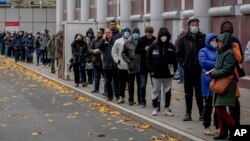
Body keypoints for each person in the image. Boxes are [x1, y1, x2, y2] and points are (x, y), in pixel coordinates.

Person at [176, 17, 205, 121]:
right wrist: (183, 63)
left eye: (196, 24)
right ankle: (188, 113)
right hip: (188, 70)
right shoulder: (183, 39)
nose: (195, 26)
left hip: (200, 70)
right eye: (193, 24)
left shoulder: (203, 38)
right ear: (188, 26)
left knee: (200, 93)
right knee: (188, 93)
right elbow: (178, 54)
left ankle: (202, 113)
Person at [209, 32, 237, 140]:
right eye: (218, 41)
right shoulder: (221, 52)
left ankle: (234, 131)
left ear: (225, 43)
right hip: (220, 83)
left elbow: (227, 69)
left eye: (220, 42)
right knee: (217, 108)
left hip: (227, 84)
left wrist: (214, 73)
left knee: (220, 108)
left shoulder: (229, 53)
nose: (218, 43)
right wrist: (214, 71)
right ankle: (223, 132)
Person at [147, 27, 177, 116]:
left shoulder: (171, 46)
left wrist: (173, 70)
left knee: (167, 91)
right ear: (159, 36)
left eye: (166, 35)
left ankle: (167, 108)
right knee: (155, 91)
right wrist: (151, 70)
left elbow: (174, 60)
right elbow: (148, 59)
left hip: (168, 74)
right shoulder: (153, 46)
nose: (164, 37)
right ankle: (155, 108)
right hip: (156, 74)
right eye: (162, 35)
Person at [198, 33, 218, 135]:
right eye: (212, 40)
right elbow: (204, 63)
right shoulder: (203, 51)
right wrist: (217, 64)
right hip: (207, 80)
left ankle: (217, 126)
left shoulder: (219, 51)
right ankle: (207, 126)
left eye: (216, 40)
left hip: (218, 80)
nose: (215, 42)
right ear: (208, 41)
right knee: (208, 105)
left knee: (218, 105)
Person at [135, 26, 156, 108]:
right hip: (143, 65)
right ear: (145, 32)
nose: (150, 35)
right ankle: (143, 101)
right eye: (148, 33)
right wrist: (144, 49)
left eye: (151, 33)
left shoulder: (155, 39)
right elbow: (136, 51)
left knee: (154, 85)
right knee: (143, 84)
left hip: (152, 65)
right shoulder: (141, 39)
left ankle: (155, 102)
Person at [97, 28, 119, 101]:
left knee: (116, 81)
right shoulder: (103, 42)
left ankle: (117, 95)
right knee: (107, 82)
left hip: (114, 64)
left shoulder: (115, 41)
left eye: (109, 32)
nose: (107, 34)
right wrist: (103, 39)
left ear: (111, 33)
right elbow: (99, 46)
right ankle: (110, 96)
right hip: (106, 65)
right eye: (106, 33)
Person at [121, 27, 141, 106]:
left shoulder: (141, 42)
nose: (136, 34)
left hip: (140, 66)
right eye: (134, 32)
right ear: (132, 34)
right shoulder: (128, 43)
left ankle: (140, 100)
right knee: (130, 84)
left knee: (140, 84)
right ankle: (131, 99)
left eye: (137, 33)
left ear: (139, 34)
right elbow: (123, 54)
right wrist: (129, 61)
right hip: (131, 66)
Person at [112, 27, 131, 104]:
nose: (126, 33)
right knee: (122, 83)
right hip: (121, 65)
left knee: (130, 83)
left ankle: (131, 98)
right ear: (122, 32)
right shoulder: (118, 41)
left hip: (130, 66)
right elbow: (114, 52)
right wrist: (117, 60)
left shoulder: (132, 41)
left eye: (128, 32)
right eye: (125, 31)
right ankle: (121, 97)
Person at [89, 28, 105, 93]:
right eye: (97, 32)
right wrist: (93, 51)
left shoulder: (104, 40)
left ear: (103, 34)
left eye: (100, 33)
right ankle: (96, 89)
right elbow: (89, 48)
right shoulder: (94, 40)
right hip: (95, 60)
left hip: (103, 61)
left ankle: (106, 91)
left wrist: (100, 51)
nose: (98, 34)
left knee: (105, 77)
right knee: (96, 76)